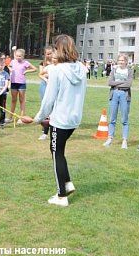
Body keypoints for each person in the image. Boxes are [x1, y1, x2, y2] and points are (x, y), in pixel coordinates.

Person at [20, 34, 88, 207]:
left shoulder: (57, 71)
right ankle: (67, 183)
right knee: (58, 151)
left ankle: (61, 196)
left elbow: (49, 100)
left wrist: (36, 119)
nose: (52, 53)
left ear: (61, 50)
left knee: (56, 153)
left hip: (60, 120)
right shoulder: (81, 68)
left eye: (55, 49)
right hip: (74, 119)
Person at [103, 54, 134, 149]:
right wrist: (121, 83)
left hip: (125, 95)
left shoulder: (129, 71)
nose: (121, 62)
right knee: (112, 118)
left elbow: (128, 84)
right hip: (114, 94)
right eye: (119, 60)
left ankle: (124, 140)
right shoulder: (114, 70)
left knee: (124, 119)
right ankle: (110, 138)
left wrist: (117, 84)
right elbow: (110, 82)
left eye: (123, 60)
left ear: (126, 61)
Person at [6, 48, 37, 123]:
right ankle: (10, 117)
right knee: (13, 100)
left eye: (20, 56)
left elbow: (35, 69)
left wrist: (26, 71)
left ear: (23, 56)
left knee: (22, 100)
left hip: (21, 84)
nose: (18, 57)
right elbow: (8, 66)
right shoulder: (13, 61)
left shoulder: (25, 63)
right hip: (14, 83)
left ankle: (21, 118)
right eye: (17, 56)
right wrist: (10, 69)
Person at [37, 46, 55, 140]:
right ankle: (44, 131)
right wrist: (46, 78)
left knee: (54, 109)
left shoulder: (56, 63)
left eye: (50, 53)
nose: (49, 55)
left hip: (54, 87)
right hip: (44, 86)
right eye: (47, 54)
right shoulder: (43, 63)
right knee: (45, 108)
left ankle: (54, 130)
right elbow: (41, 74)